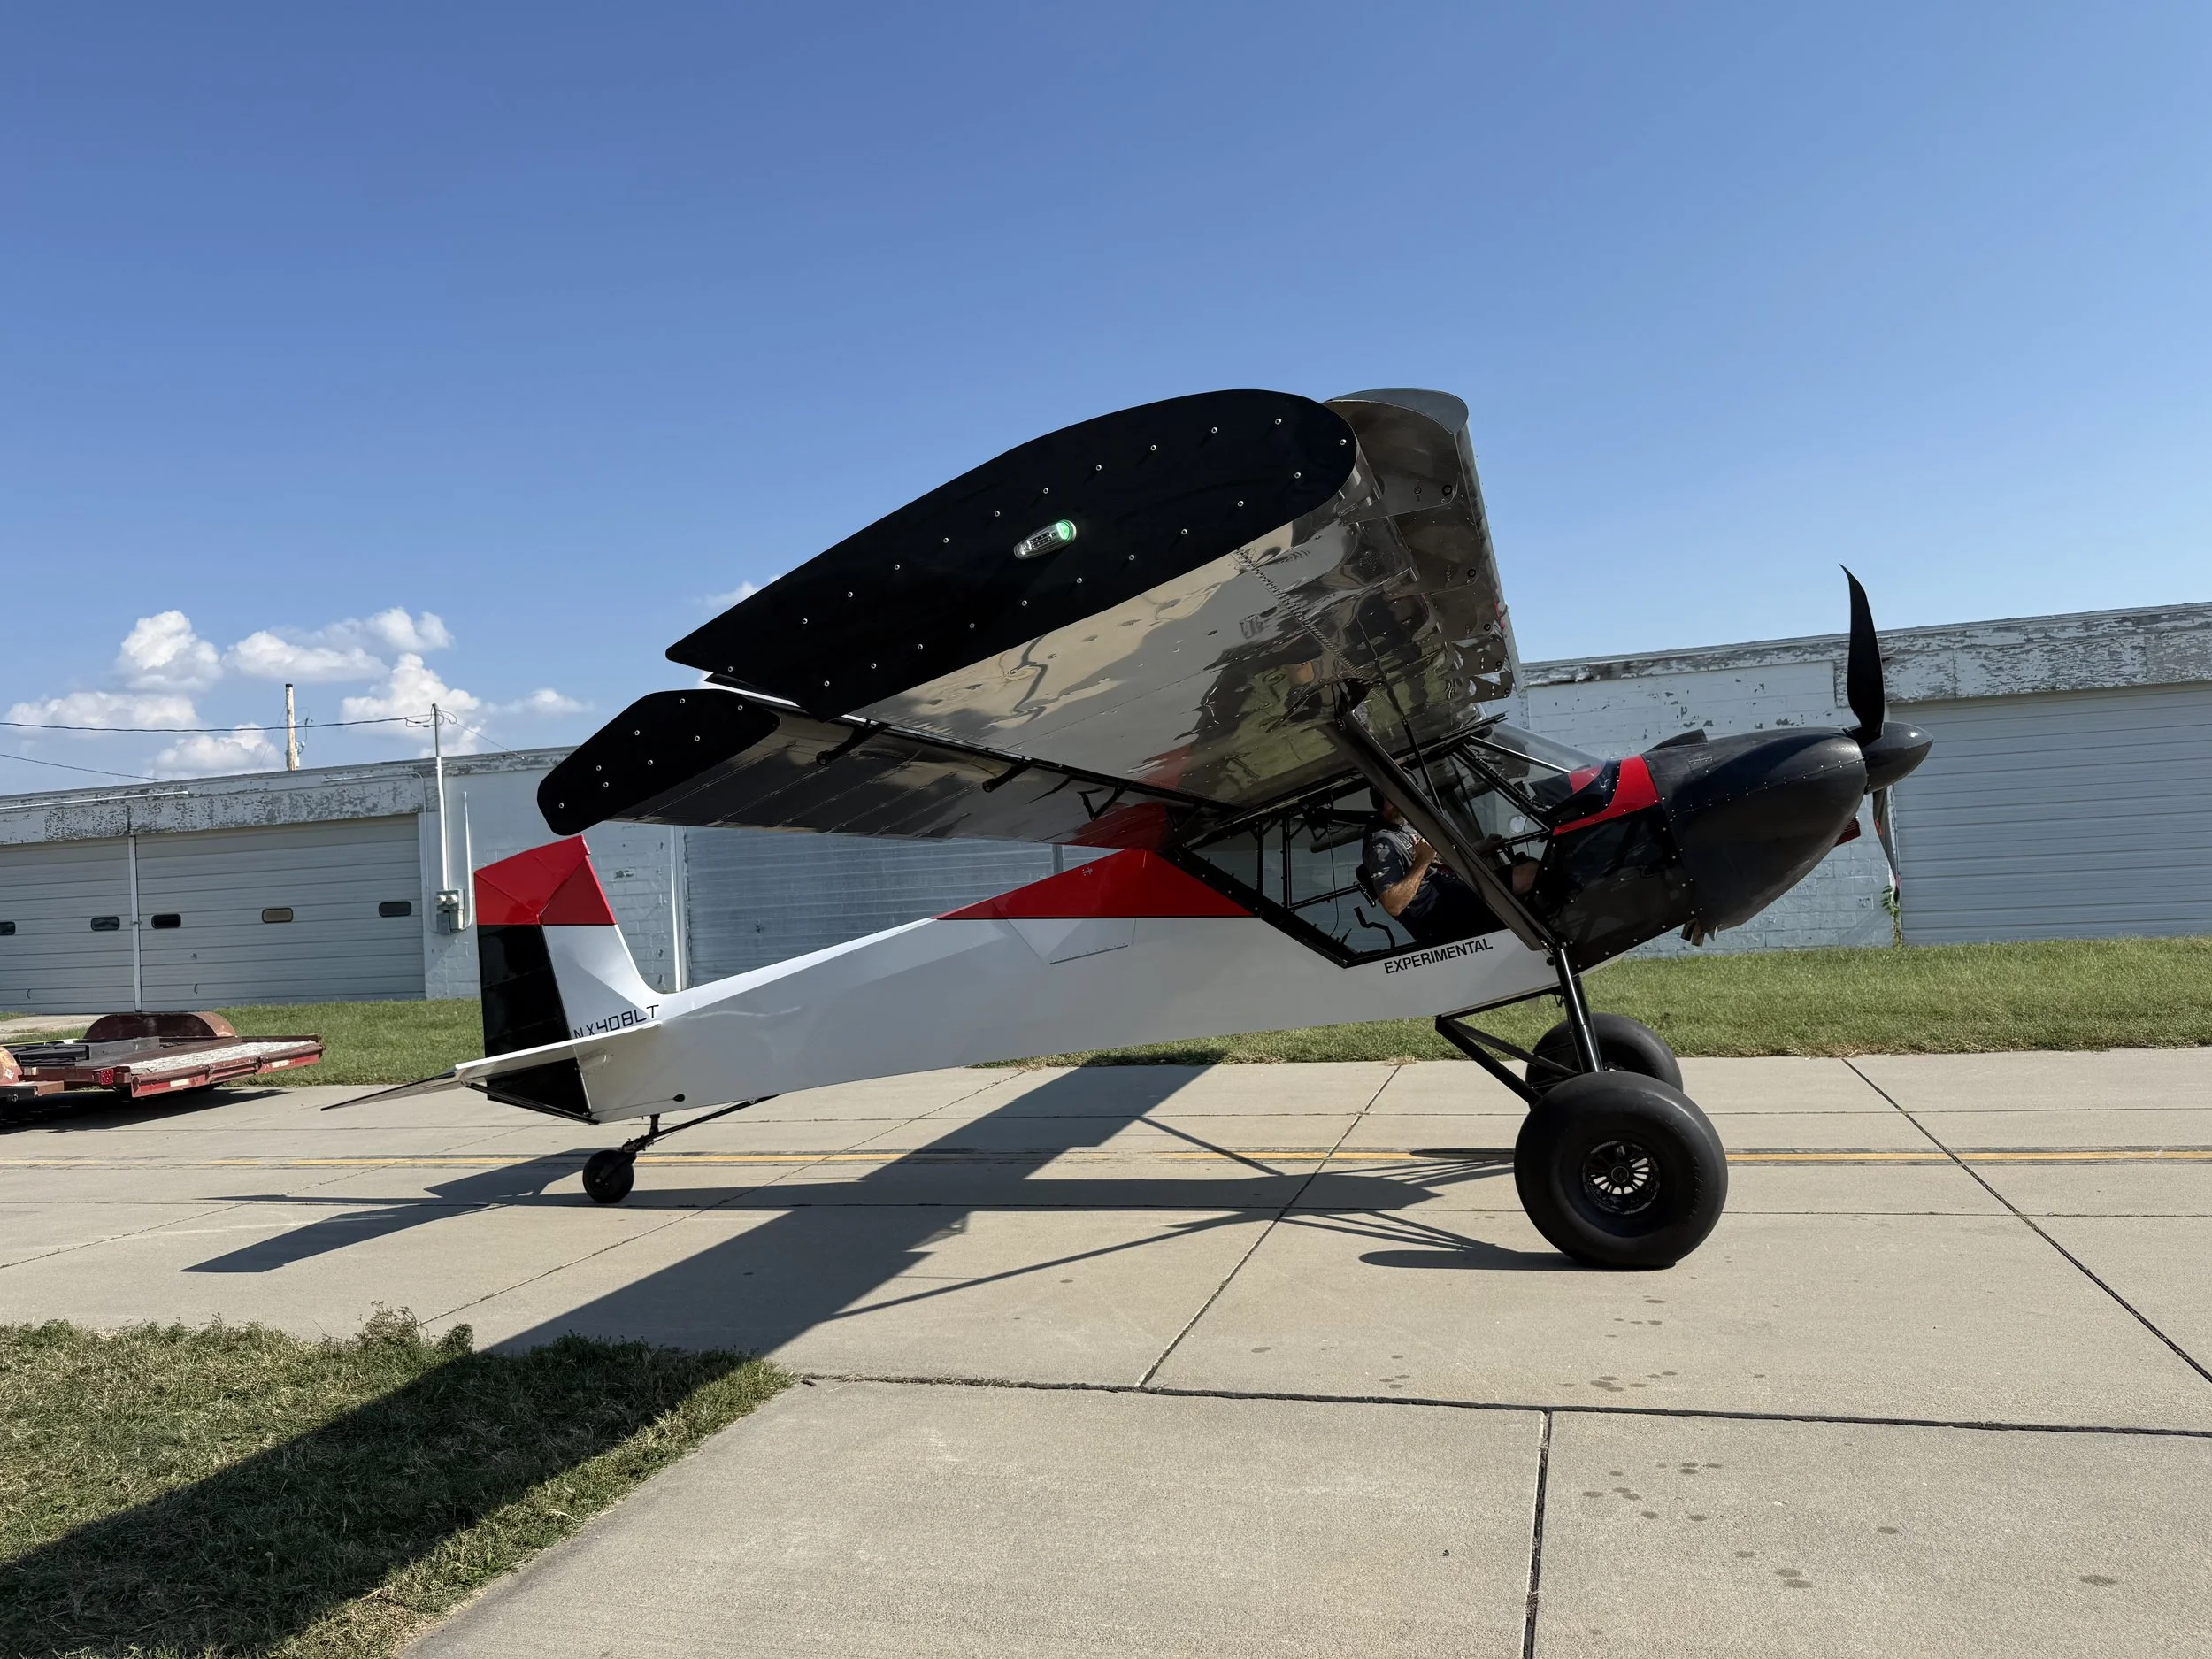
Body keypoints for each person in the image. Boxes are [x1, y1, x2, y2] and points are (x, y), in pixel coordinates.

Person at [1361, 790, 1499, 945]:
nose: (1402, 801)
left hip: (1455, 896)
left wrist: (1478, 850)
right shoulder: (1381, 845)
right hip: (1442, 917)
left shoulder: (1404, 825)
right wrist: (1422, 860)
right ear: (1380, 803)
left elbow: (1435, 858)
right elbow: (1393, 905)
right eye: (1393, 797)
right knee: (1525, 875)